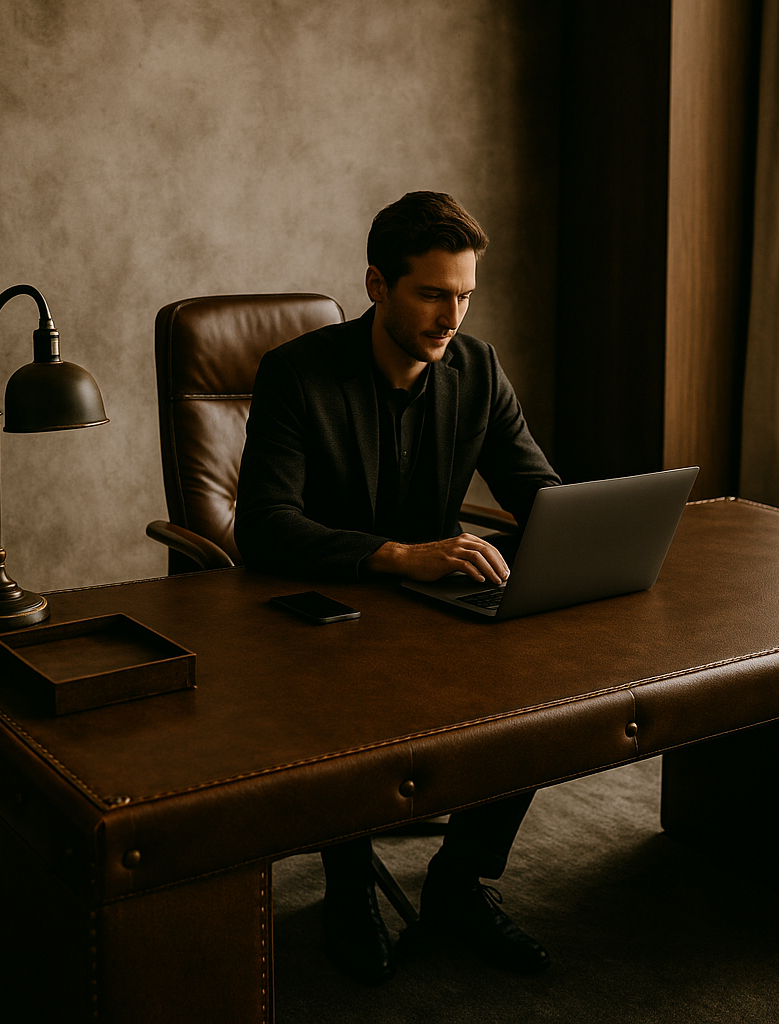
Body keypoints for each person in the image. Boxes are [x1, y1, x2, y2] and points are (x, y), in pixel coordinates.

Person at [235, 191, 561, 984]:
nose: (452, 316)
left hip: (432, 604)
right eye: (432, 294)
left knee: (547, 682)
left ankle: (457, 884)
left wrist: (578, 536)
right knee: (341, 696)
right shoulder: (295, 375)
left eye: (465, 296)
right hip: (318, 609)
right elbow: (265, 527)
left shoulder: (477, 370)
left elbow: (540, 492)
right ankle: (348, 886)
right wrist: (398, 555)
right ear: (378, 285)